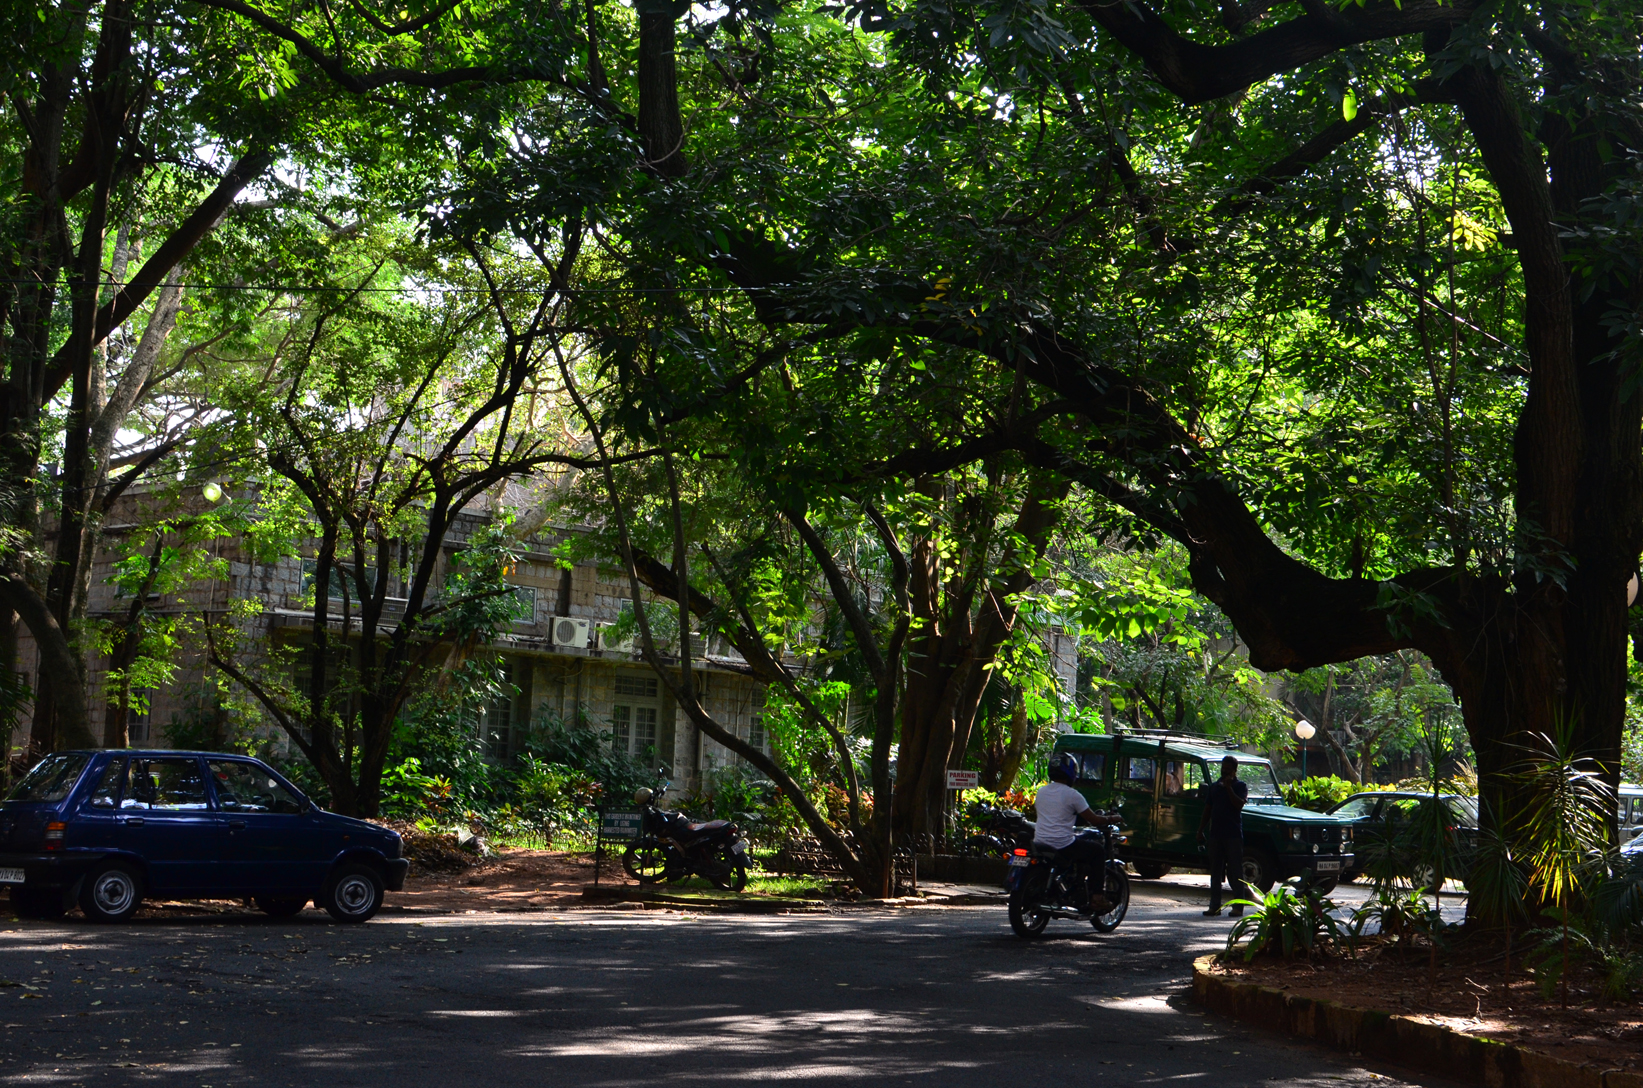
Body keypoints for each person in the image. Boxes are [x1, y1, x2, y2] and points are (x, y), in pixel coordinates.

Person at [1033, 753, 1110, 905]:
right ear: (1071, 772)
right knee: (1098, 851)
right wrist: (1111, 818)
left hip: (1040, 841)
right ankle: (1097, 897)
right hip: (1062, 844)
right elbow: (1094, 819)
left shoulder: (1041, 792)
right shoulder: (1073, 795)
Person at [1197, 755, 1250, 917]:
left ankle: (1238, 907)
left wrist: (1229, 788)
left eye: (1228, 769)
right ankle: (1215, 906)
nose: (1225, 772)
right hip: (1216, 835)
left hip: (1233, 835)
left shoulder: (1240, 786)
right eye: (1223, 768)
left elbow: (1239, 805)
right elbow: (1207, 809)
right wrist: (1200, 830)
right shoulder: (1214, 787)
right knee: (1215, 871)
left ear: (1234, 771)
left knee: (1235, 872)